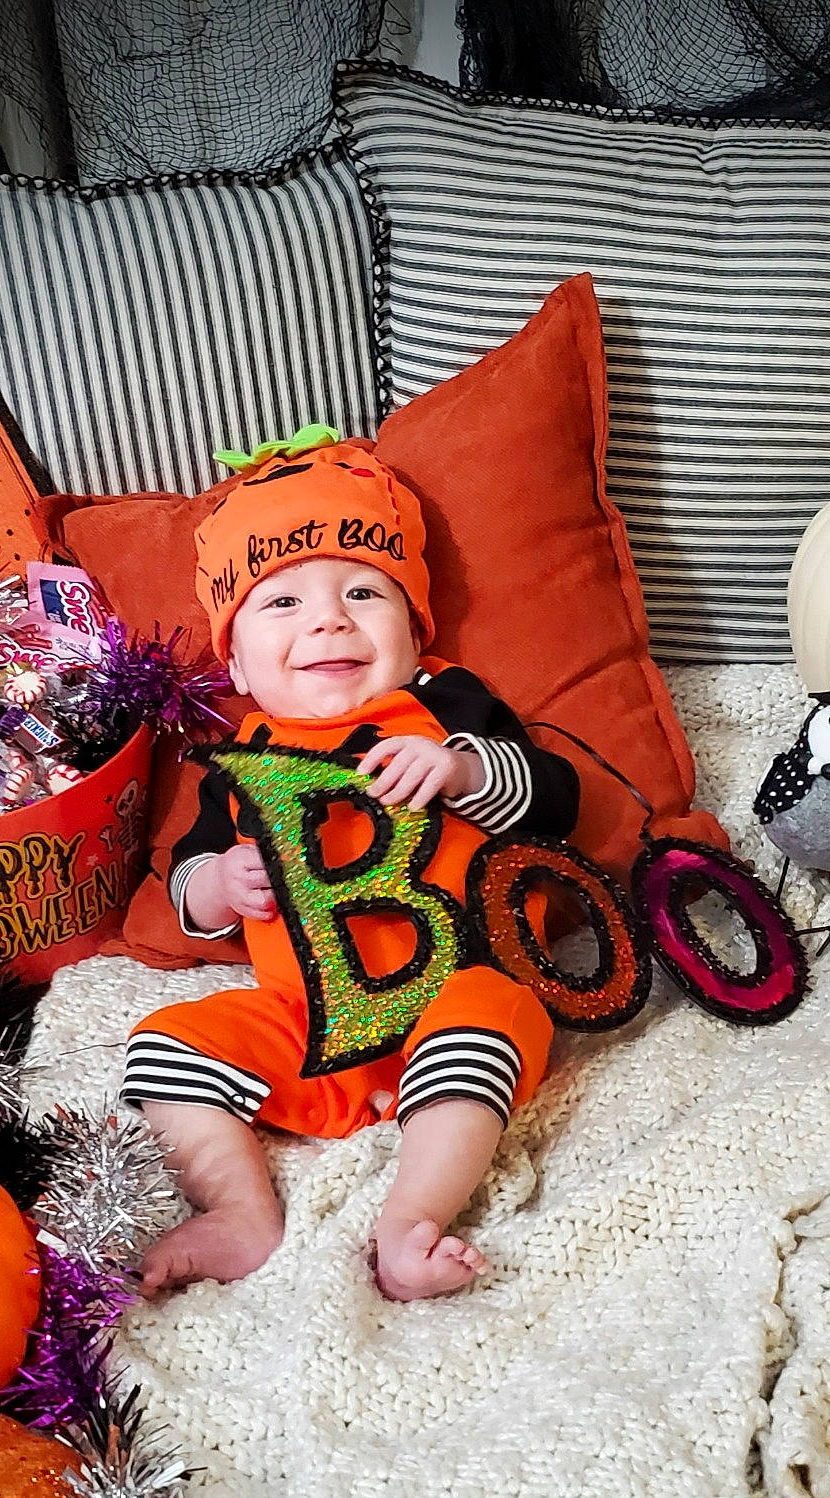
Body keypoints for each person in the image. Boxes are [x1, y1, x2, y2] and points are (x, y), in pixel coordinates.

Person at [123, 431, 579, 1301]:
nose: (328, 620)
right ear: (236, 662)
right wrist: (218, 885)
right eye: (281, 602)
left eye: (363, 592)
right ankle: (239, 1213)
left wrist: (464, 770)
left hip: (453, 988)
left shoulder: (445, 705)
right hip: (306, 1018)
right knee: (164, 1046)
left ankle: (410, 1221)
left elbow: (556, 803)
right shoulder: (243, 757)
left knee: (496, 1015)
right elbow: (185, 880)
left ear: (415, 630)